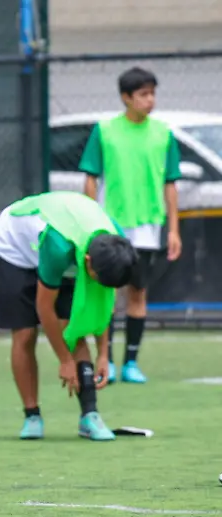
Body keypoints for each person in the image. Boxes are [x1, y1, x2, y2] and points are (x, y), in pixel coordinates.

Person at [0, 191, 138, 442]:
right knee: (25, 333)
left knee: (74, 326)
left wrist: (103, 354)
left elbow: (102, 302)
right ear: (88, 263)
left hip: (67, 246)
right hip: (13, 248)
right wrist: (64, 360)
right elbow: (44, 309)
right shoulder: (58, 247)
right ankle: (32, 415)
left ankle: (90, 416)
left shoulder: (116, 244)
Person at [77, 66, 181, 385]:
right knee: (107, 296)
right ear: (126, 98)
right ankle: (102, 358)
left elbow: (170, 184)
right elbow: (91, 178)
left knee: (138, 293)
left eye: (153, 94)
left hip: (148, 227)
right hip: (111, 228)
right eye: (143, 95)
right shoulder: (105, 131)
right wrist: (94, 221)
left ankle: (131, 363)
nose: (150, 100)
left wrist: (173, 229)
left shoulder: (164, 134)